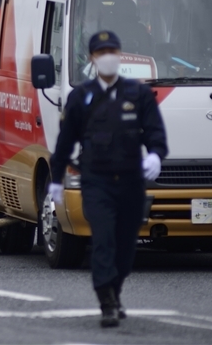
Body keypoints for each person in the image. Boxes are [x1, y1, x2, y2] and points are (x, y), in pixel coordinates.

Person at [49, 30, 168, 328]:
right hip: (96, 181)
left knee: (126, 244)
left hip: (130, 181)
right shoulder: (82, 96)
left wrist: (155, 154)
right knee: (103, 239)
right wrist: (55, 180)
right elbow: (65, 143)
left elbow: (155, 130)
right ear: (92, 58)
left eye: (112, 51)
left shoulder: (138, 93)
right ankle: (107, 302)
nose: (108, 57)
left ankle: (114, 291)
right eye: (101, 53)